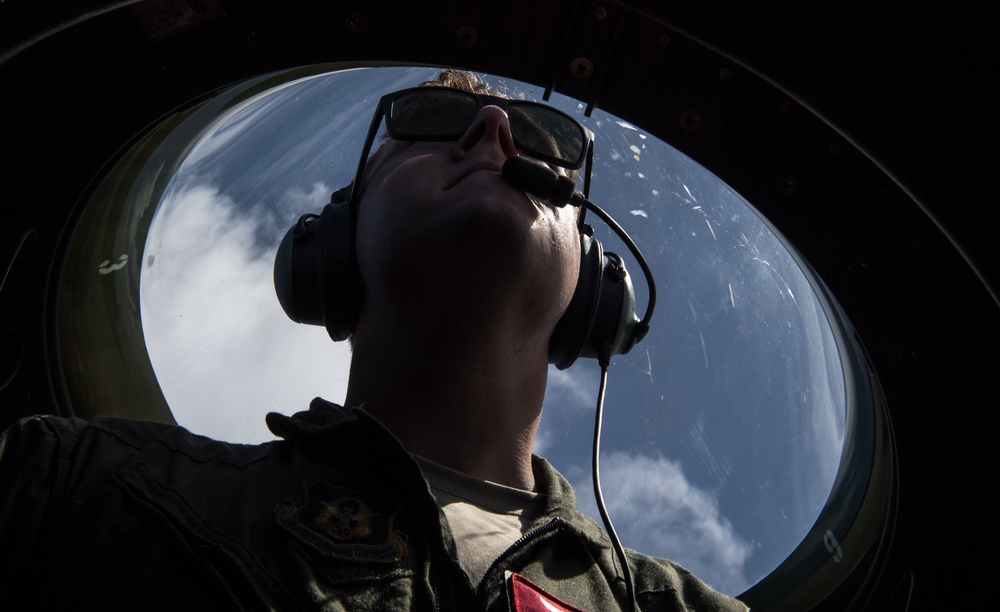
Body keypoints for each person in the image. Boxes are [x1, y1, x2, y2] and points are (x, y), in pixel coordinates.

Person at [0, 70, 748, 611]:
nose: (492, 132)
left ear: (593, 286)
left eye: (538, 137)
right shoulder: (81, 486)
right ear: (332, 245)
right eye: (430, 120)